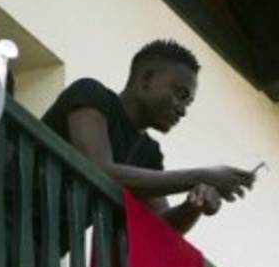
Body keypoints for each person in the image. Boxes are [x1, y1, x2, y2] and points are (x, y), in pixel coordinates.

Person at [41, 39, 257, 233]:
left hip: (43, 256)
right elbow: (98, 169)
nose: (183, 110)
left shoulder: (148, 153)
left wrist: (193, 206)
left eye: (188, 103)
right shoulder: (91, 94)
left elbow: (160, 227)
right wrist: (201, 176)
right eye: (180, 95)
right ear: (146, 79)